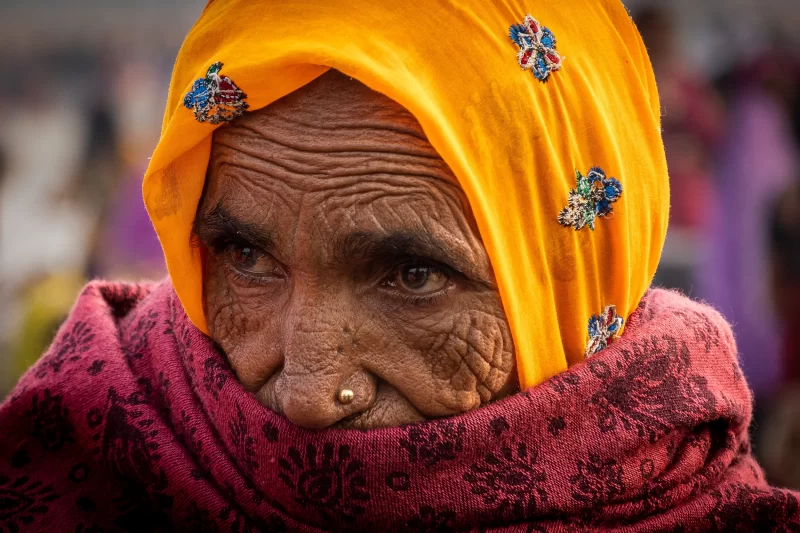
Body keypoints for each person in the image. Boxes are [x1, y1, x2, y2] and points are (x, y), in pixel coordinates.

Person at [1, 1, 798, 531]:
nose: (309, 390)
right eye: (246, 256)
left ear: (577, 276)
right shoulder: (88, 455)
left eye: (414, 276)